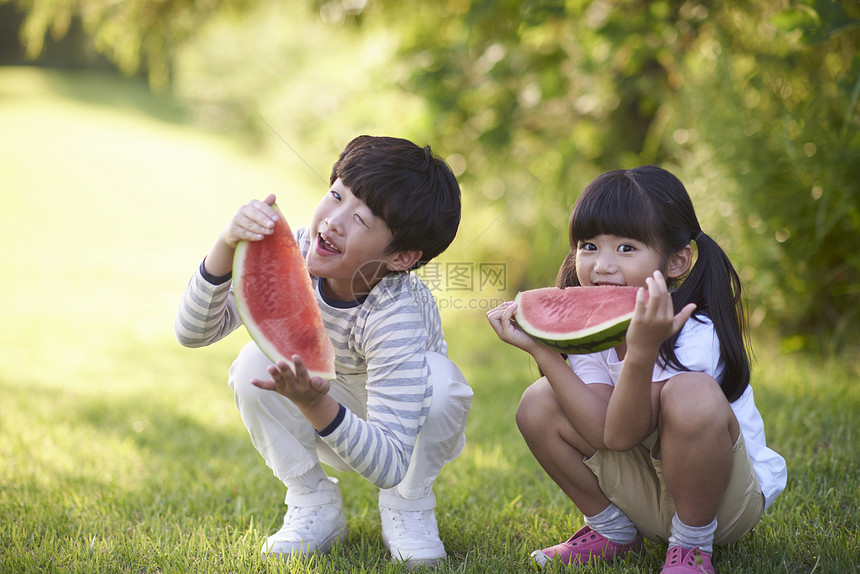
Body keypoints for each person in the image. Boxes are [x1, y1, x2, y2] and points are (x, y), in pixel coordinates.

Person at [175, 135, 473, 568]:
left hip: (402, 433)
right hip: (325, 414)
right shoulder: (290, 253)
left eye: (361, 219)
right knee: (251, 365)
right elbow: (191, 333)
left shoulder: (395, 313)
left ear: (402, 257)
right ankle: (312, 500)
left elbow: (389, 462)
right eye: (335, 196)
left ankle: (409, 507)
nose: (332, 221)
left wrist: (314, 402)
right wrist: (225, 245)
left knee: (442, 381)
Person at [487, 166, 786, 573]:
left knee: (690, 393)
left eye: (626, 248)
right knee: (538, 401)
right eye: (588, 246)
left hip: (721, 505)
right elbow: (606, 434)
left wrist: (641, 352)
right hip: (644, 492)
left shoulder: (695, 331)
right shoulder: (595, 333)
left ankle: (692, 549)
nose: (601, 266)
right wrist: (544, 351)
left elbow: (627, 432)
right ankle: (613, 531)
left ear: (677, 261)